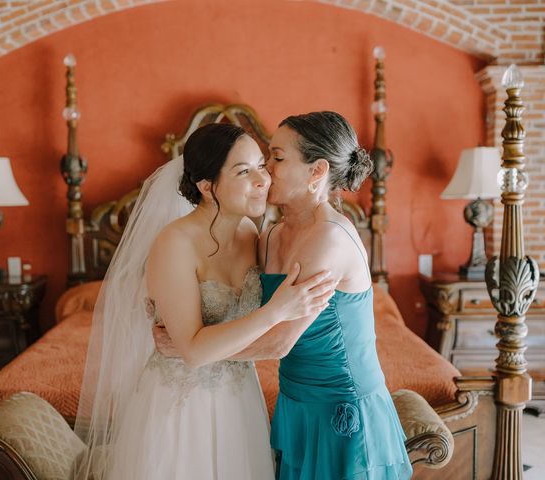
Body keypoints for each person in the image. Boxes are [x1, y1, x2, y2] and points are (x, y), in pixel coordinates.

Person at [156, 111, 412, 479]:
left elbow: (277, 342)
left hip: (339, 406)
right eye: (260, 162)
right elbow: (234, 301)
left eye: (276, 158)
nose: (265, 172)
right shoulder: (270, 235)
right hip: (295, 404)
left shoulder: (330, 238)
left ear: (316, 171)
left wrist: (189, 349)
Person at [74, 123, 335, 480]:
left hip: (240, 401)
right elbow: (193, 352)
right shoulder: (174, 243)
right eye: (244, 172)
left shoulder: (251, 235)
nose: (263, 179)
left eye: (262, 165)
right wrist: (277, 311)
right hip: (181, 404)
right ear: (207, 187)